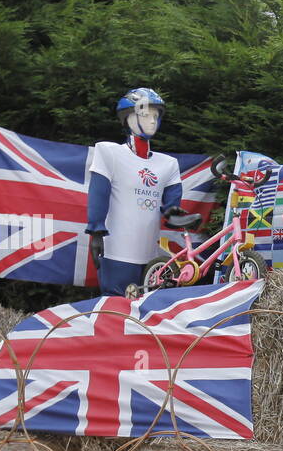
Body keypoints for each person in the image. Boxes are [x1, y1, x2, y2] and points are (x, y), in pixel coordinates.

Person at [84, 87, 201, 296]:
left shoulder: (168, 164)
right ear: (127, 118)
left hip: (151, 257)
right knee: (115, 308)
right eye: (146, 115)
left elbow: (172, 207)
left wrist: (177, 215)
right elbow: (98, 194)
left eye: (156, 116)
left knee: (147, 313)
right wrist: (96, 232)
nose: (152, 121)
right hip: (117, 250)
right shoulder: (109, 152)